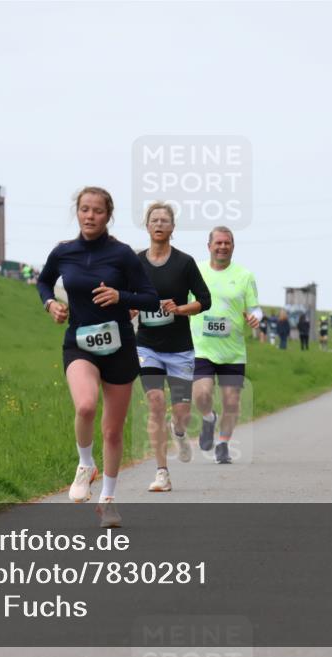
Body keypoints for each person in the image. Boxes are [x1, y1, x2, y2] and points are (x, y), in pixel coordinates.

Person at [37, 187, 159, 527]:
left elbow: (150, 298)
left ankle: (108, 501)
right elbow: (44, 282)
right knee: (86, 406)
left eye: (97, 211)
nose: (90, 216)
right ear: (77, 212)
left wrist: (120, 295)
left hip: (119, 347)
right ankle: (85, 463)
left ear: (108, 216)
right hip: (79, 343)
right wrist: (51, 304)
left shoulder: (122, 255)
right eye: (84, 209)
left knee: (113, 430)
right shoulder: (64, 252)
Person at [131, 202, 211, 492]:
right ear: (147, 225)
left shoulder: (185, 263)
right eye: (154, 220)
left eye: (165, 220)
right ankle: (162, 472)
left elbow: (205, 299)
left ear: (172, 228)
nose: (159, 224)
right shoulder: (136, 263)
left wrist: (179, 309)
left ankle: (179, 432)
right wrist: (131, 309)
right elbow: (128, 297)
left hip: (179, 350)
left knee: (181, 413)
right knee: (155, 404)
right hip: (147, 347)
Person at [190, 227, 262, 464]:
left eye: (227, 243)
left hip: (233, 351)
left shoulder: (245, 275)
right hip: (202, 347)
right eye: (218, 242)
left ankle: (223, 443)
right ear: (209, 245)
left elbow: (255, 308)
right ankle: (209, 418)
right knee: (202, 395)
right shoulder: (196, 271)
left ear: (233, 246)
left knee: (232, 402)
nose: (222, 246)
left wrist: (255, 318)